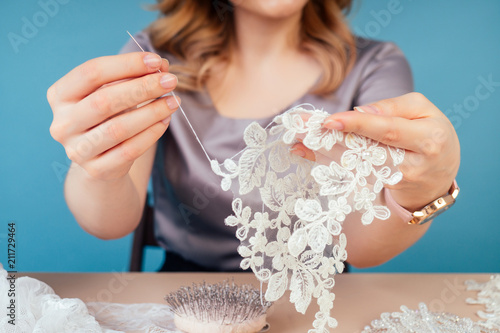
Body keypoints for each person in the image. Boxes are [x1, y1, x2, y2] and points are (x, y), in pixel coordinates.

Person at [47, 0, 459, 272]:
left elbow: (360, 244)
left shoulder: (374, 66)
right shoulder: (155, 59)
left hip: (324, 297)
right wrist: (97, 165)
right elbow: (108, 221)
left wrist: (422, 190)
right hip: (181, 292)